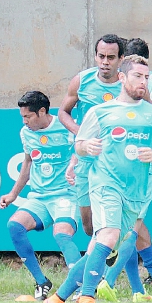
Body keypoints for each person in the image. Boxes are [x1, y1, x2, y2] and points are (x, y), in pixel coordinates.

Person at [43, 55, 152, 303]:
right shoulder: (100, 112)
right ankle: (87, 298)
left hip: (136, 192)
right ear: (122, 78)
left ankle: (56, 300)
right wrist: (85, 147)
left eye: (146, 77)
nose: (143, 82)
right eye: (137, 76)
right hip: (104, 184)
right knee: (109, 235)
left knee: (97, 250)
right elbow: (80, 144)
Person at [99, 37, 152, 295]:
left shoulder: (150, 83)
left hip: (140, 165)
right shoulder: (118, 83)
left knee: (130, 227)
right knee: (128, 227)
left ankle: (109, 280)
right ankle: (146, 279)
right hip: (120, 164)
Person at [0, 91, 81, 301]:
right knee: (14, 226)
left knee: (61, 234)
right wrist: (13, 194)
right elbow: (27, 163)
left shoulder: (67, 127)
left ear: (42, 112)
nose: (24, 121)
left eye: (28, 116)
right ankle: (41, 281)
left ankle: (80, 287)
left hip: (66, 194)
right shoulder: (26, 133)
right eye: (22, 117)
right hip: (39, 197)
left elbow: (83, 152)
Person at [58, 35, 124, 236]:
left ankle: (111, 263)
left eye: (111, 57)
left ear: (121, 59)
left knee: (116, 222)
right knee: (89, 226)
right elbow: (62, 113)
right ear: (95, 56)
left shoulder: (128, 84)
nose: (105, 62)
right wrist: (82, 135)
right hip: (86, 158)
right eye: (101, 56)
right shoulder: (82, 81)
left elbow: (149, 115)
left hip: (116, 160)